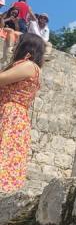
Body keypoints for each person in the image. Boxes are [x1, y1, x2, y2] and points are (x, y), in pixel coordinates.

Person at [0, 33, 45, 192]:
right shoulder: (29, 66)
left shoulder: (28, 66)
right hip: (16, 115)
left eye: (19, 43)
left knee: (5, 156)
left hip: (11, 114)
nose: (15, 46)